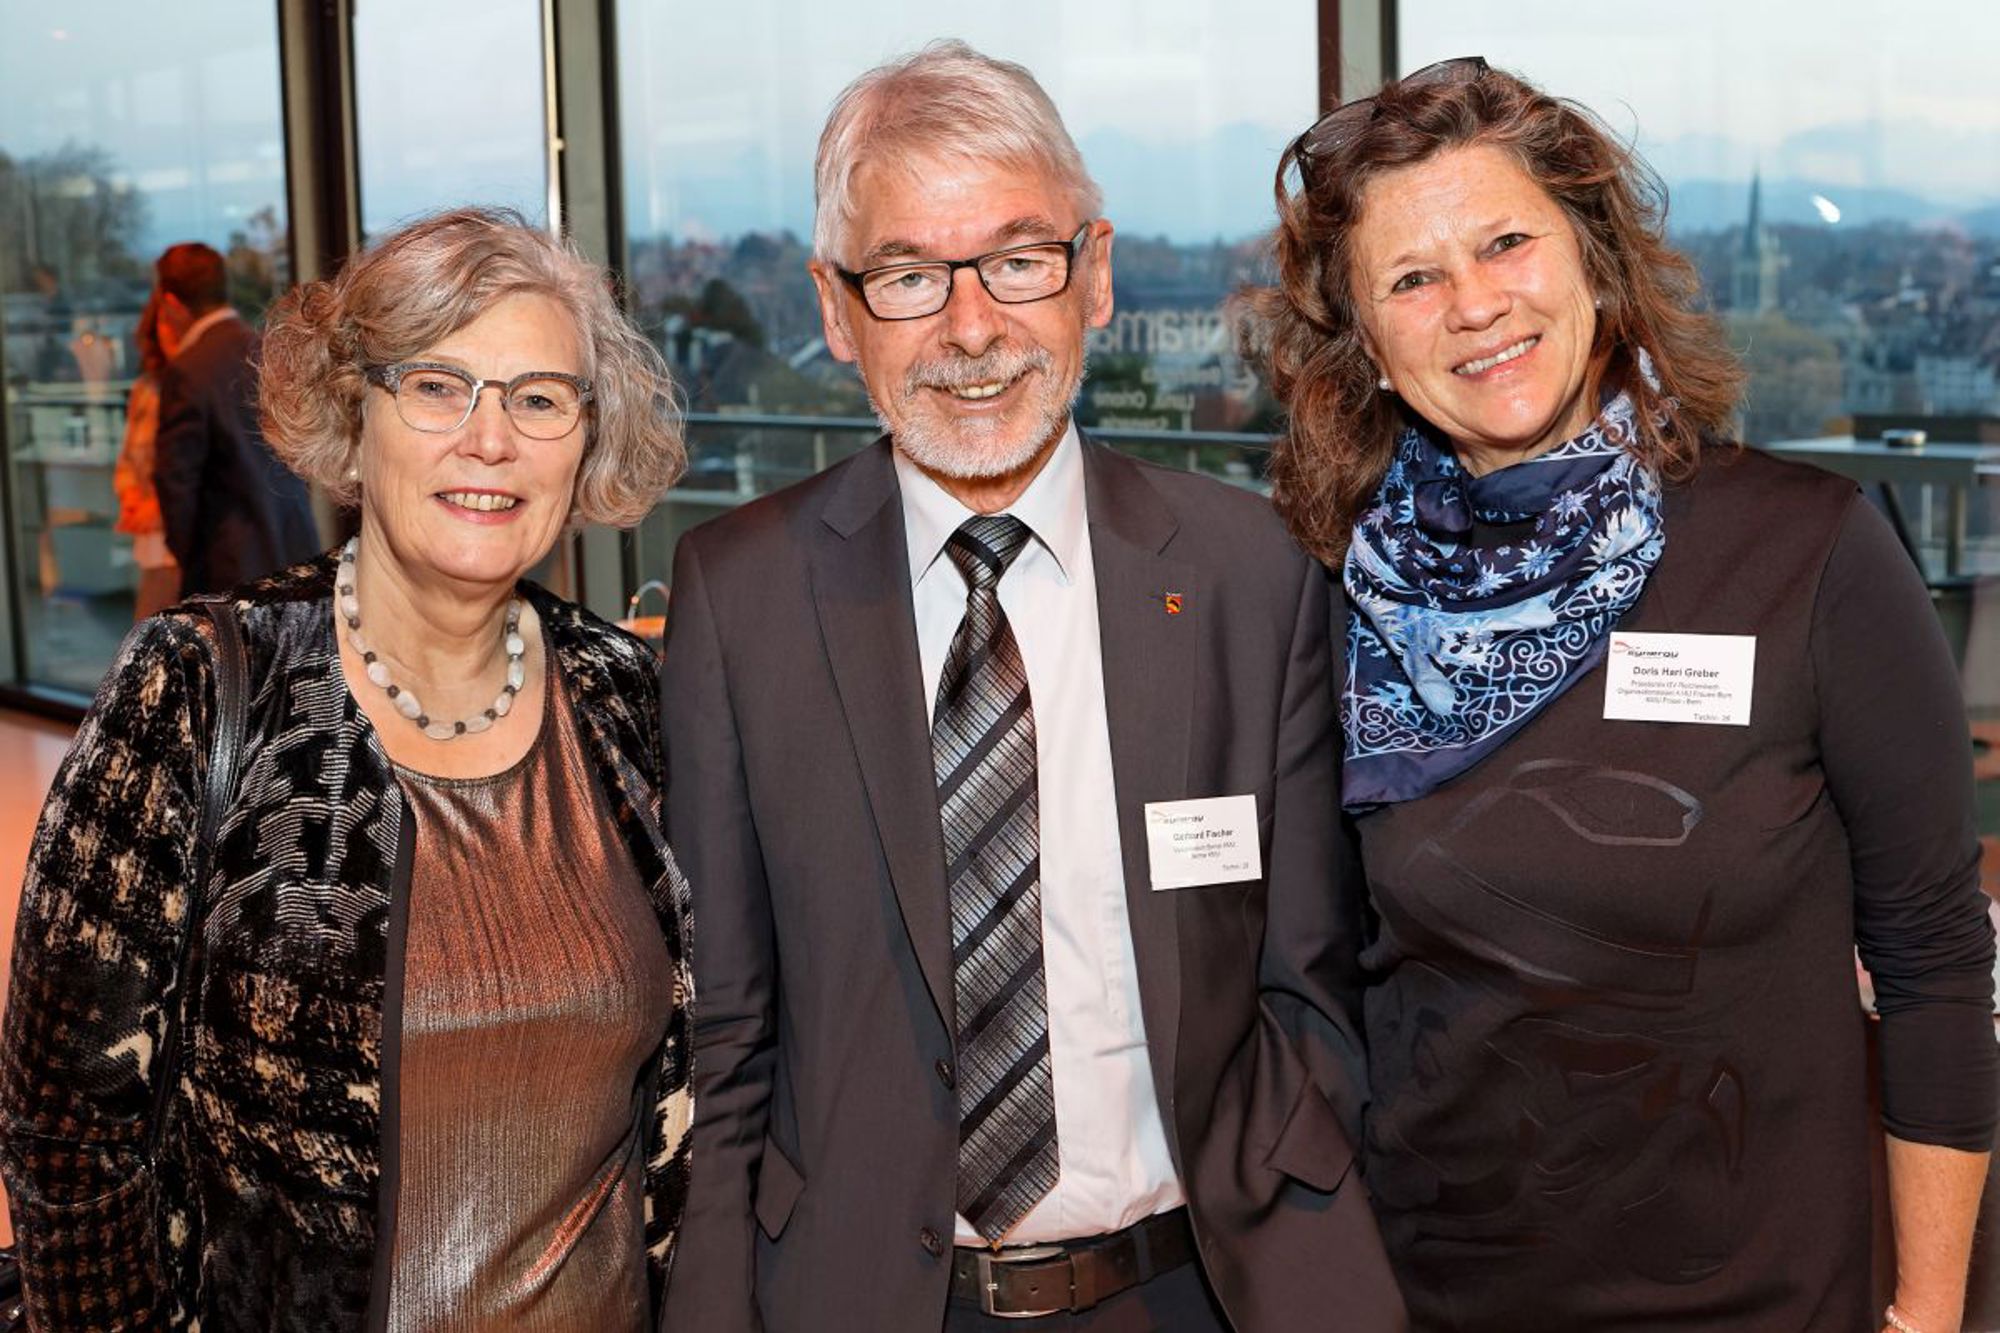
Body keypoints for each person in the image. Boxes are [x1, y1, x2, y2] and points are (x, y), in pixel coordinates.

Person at [1241, 57, 1996, 1332]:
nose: (1473, 304)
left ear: (1592, 262)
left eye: (1505, 243)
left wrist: (1924, 1316)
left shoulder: (1804, 554)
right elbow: (1318, 979)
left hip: (1762, 1301)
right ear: (1363, 342)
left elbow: (1929, 957)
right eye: (1411, 279)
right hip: (1431, 1299)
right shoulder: (1346, 592)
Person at [660, 40, 1402, 1333]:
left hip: (1195, 1291)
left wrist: (1290, 1208)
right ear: (835, 309)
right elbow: (726, 1043)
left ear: (1093, 274)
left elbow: (1314, 977)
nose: (970, 328)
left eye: (1016, 260)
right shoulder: (740, 596)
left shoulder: (1252, 573)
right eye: (908, 276)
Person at [1, 207, 695, 1331]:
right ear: (350, 416)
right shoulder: (195, 689)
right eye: (436, 385)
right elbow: (68, 1136)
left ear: (586, 439)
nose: (490, 439)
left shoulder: (630, 700)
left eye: (538, 398)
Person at [152, 240, 320, 594]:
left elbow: (176, 483)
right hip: (296, 544)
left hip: (230, 564)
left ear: (171, 304)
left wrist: (190, 559)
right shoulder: (269, 349)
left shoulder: (188, 370)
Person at [112, 291, 189, 619]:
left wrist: (157, 509)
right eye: (164, 322)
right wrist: (131, 496)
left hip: (180, 527)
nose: (171, 330)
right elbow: (129, 456)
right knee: (153, 619)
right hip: (152, 532)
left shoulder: (198, 385)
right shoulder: (146, 388)